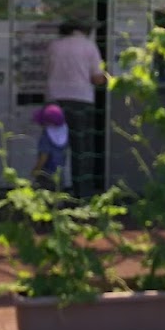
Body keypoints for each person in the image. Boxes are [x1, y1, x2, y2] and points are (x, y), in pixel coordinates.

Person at [45, 19, 107, 197]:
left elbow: (47, 70)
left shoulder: (54, 46)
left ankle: (54, 193)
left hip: (55, 101)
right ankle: (82, 195)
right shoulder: (89, 47)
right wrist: (106, 78)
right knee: (82, 150)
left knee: (55, 148)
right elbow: (96, 78)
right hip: (81, 100)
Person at [32, 103, 70, 190]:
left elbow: (44, 156)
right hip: (60, 174)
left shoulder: (47, 135)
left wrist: (36, 169)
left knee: (44, 198)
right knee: (57, 196)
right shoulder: (64, 131)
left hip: (45, 174)